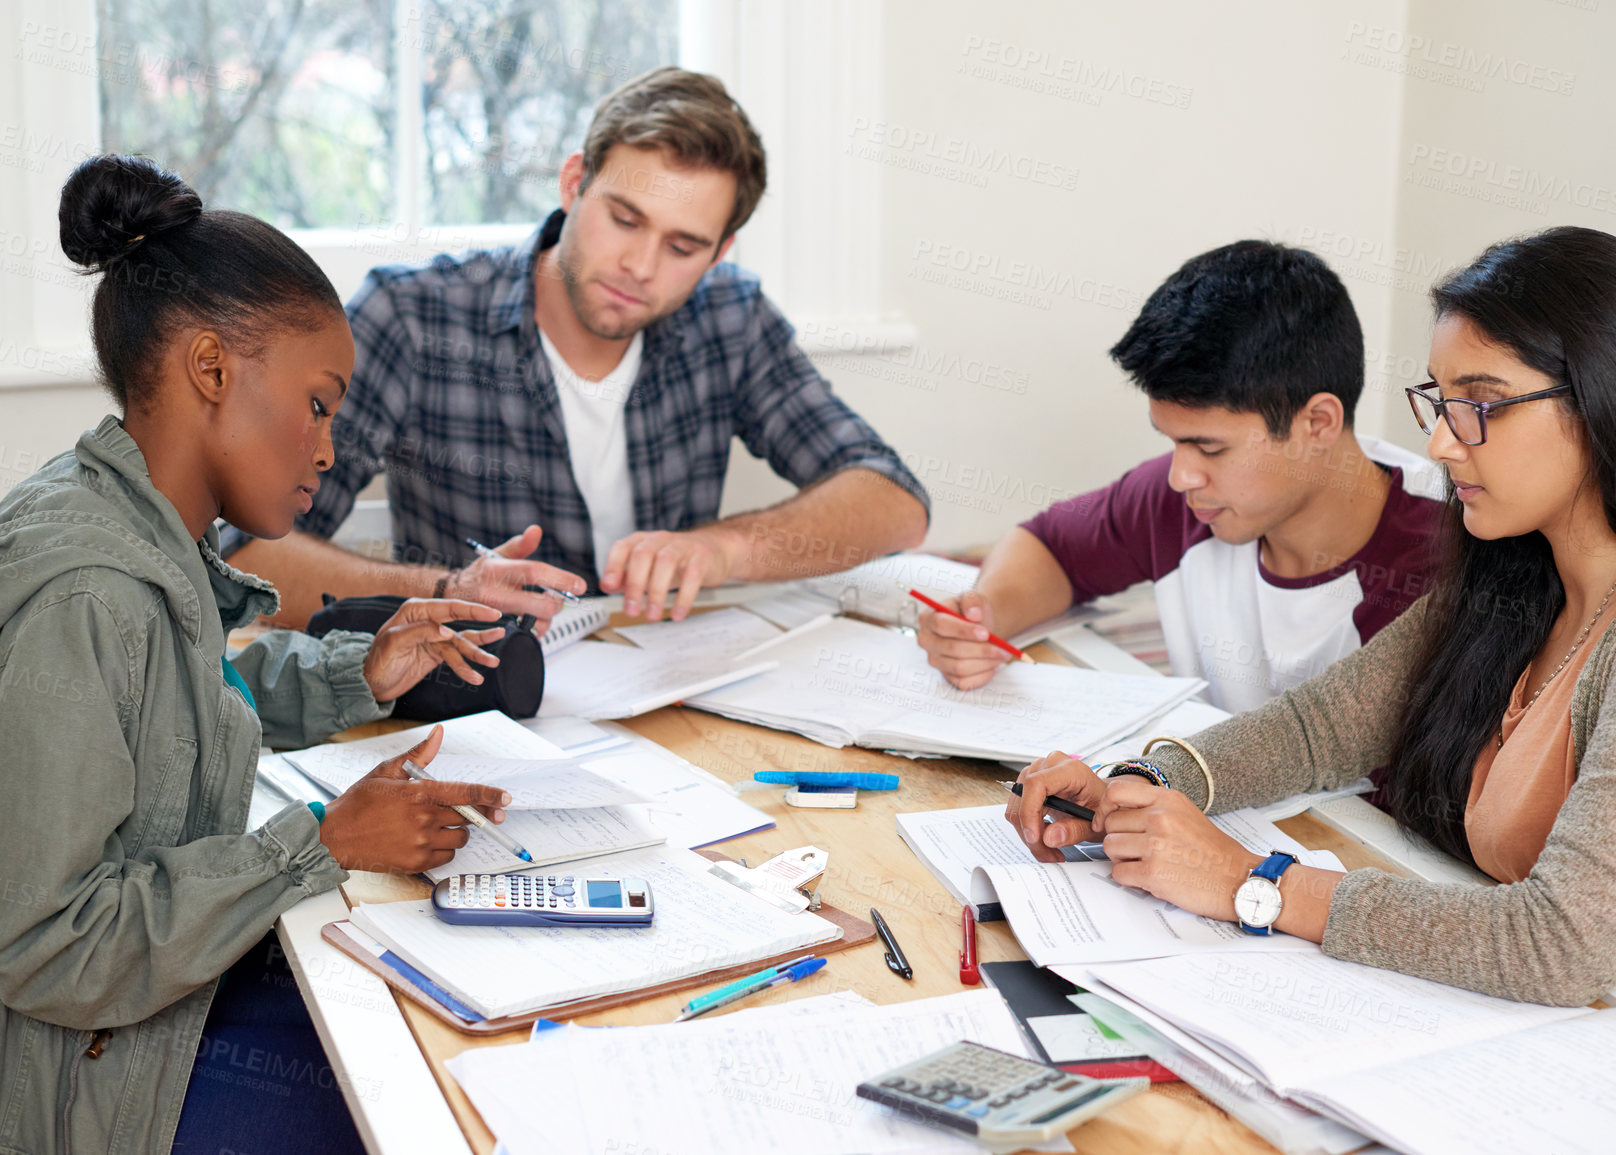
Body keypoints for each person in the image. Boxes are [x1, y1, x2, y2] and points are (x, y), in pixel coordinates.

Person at [1008, 226, 1616, 1017]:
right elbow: (1317, 729)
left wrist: (1248, 882)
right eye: (1440, 401)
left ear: (1606, 398)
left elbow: (1559, 944)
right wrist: (1139, 786)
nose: (1442, 442)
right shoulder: (1517, 568)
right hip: (1552, 1032)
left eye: (1481, 404)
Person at [0, 154, 522, 1155]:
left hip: (156, 1006)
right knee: (435, 1108)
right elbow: (43, 945)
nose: (328, 449)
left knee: (441, 1035)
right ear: (210, 369)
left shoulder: (135, 527)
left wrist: (356, 672)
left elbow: (180, 703)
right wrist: (320, 846)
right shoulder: (90, 594)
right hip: (90, 1082)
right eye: (318, 404)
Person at [229, 66, 930, 630]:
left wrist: (725, 548)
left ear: (720, 253)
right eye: (624, 219)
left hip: (664, 703)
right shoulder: (414, 316)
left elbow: (894, 500)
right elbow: (247, 552)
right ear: (573, 185)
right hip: (475, 707)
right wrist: (445, 590)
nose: (641, 266)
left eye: (683, 246)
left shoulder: (731, 318)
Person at [917, 240, 1444, 712]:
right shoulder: (1183, 501)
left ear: (1318, 423)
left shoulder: (1451, 554)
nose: (1180, 476)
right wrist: (983, 622)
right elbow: (1049, 546)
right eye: (1172, 441)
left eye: (1209, 447)